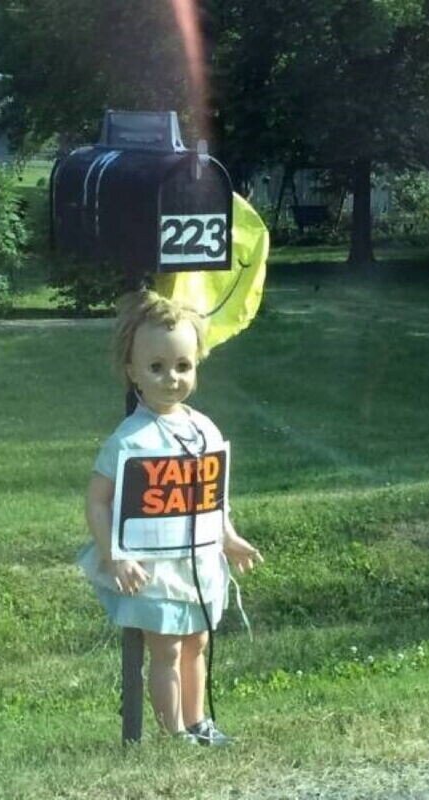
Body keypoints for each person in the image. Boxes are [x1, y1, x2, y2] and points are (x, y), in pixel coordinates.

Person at [79, 289, 263, 745]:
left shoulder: (204, 430)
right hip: (153, 571)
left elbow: (211, 496)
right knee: (166, 649)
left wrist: (228, 537)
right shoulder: (130, 440)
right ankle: (174, 732)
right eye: (156, 367)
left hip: (198, 565)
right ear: (132, 372)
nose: (171, 378)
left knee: (198, 643)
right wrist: (115, 556)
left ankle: (199, 722)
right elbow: (97, 501)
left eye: (183, 366)